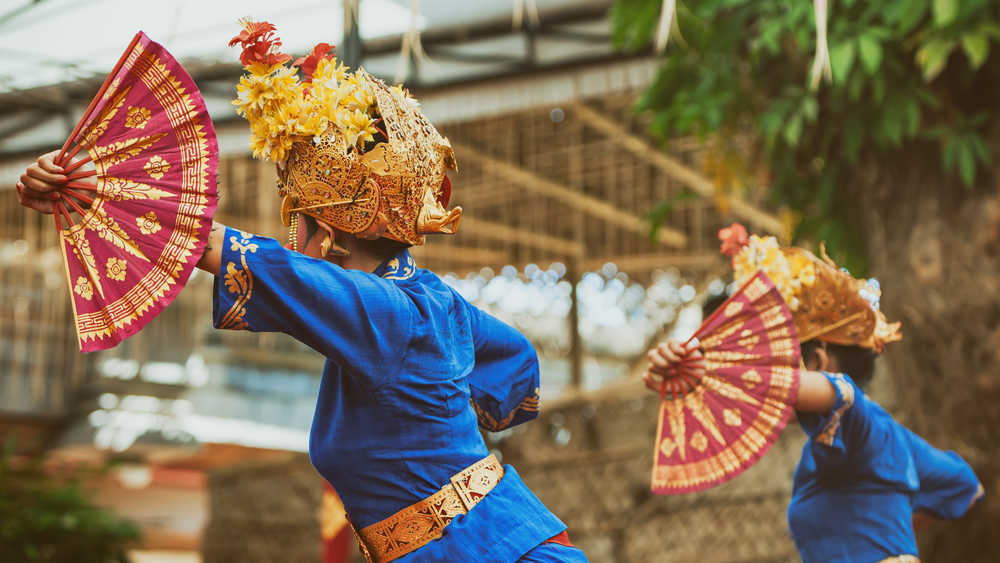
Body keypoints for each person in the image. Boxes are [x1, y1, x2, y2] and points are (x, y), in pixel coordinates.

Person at [16, 20, 587, 563]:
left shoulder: (385, 314)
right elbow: (518, 361)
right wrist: (448, 414)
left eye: (299, 229)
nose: (296, 248)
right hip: (491, 539)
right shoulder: (434, 304)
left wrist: (105, 189)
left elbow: (267, 268)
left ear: (328, 238)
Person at [641, 225, 984, 563]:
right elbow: (965, 485)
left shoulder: (858, 421)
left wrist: (712, 371)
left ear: (817, 361)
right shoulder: (887, 439)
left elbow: (837, 392)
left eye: (769, 362)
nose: (758, 377)